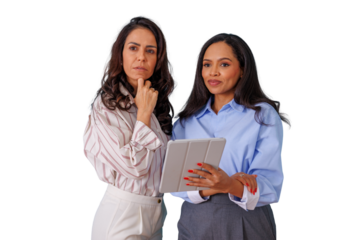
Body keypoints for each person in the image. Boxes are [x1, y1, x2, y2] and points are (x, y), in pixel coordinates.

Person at [169, 31, 292, 240]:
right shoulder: (184, 122)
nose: (213, 72)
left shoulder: (262, 115)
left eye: (224, 64)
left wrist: (230, 186)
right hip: (194, 221)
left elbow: (271, 186)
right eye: (207, 65)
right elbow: (173, 185)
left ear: (242, 70)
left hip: (246, 220)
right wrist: (215, 186)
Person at [82, 14, 176, 240]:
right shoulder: (106, 107)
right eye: (133, 48)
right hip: (123, 213)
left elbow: (162, 170)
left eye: (150, 51)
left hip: (157, 213)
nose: (141, 57)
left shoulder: (155, 104)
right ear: (120, 54)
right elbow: (136, 168)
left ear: (158, 59)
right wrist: (142, 115)